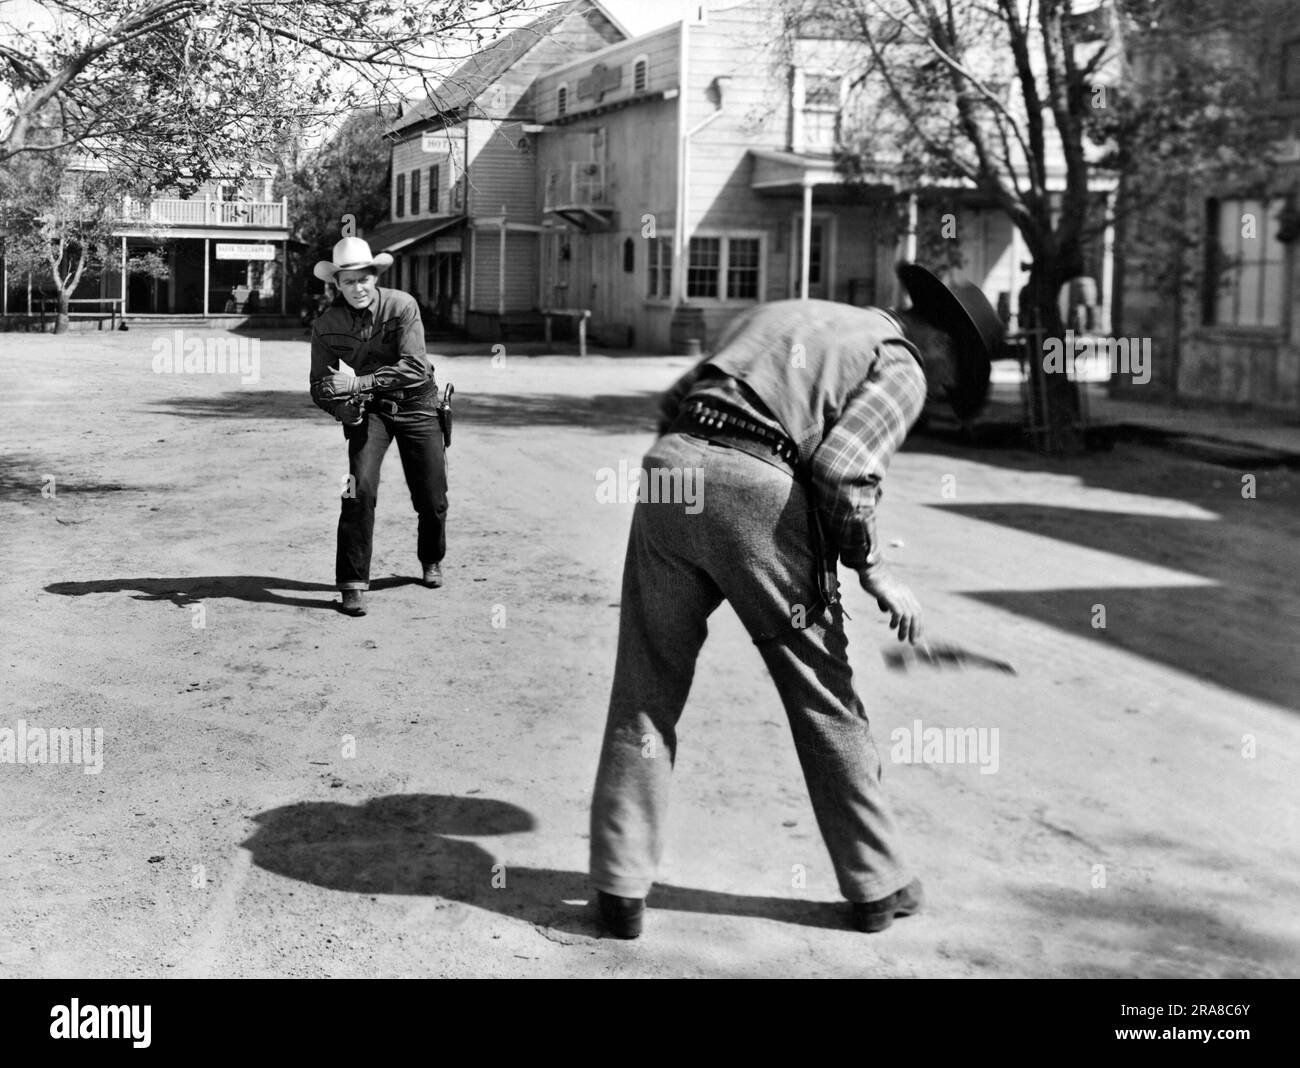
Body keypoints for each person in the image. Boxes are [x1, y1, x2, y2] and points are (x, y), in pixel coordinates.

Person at [588, 262, 1004, 938]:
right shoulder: (902, 365)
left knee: (644, 686)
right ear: (945, 344)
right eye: (959, 375)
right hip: (758, 488)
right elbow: (842, 468)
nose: (946, 390)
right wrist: (872, 568)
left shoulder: (789, 313)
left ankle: (619, 884)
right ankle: (877, 883)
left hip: (670, 471)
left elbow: (675, 401)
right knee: (824, 698)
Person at [308, 237, 448, 617]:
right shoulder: (326, 324)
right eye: (348, 282)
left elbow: (415, 367)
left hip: (418, 403)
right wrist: (342, 411)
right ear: (337, 285)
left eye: (363, 279)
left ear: (375, 277)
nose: (357, 288)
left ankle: (431, 558)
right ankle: (352, 584)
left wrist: (356, 384)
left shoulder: (402, 305)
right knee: (358, 489)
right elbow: (319, 384)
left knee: (432, 496)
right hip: (370, 410)